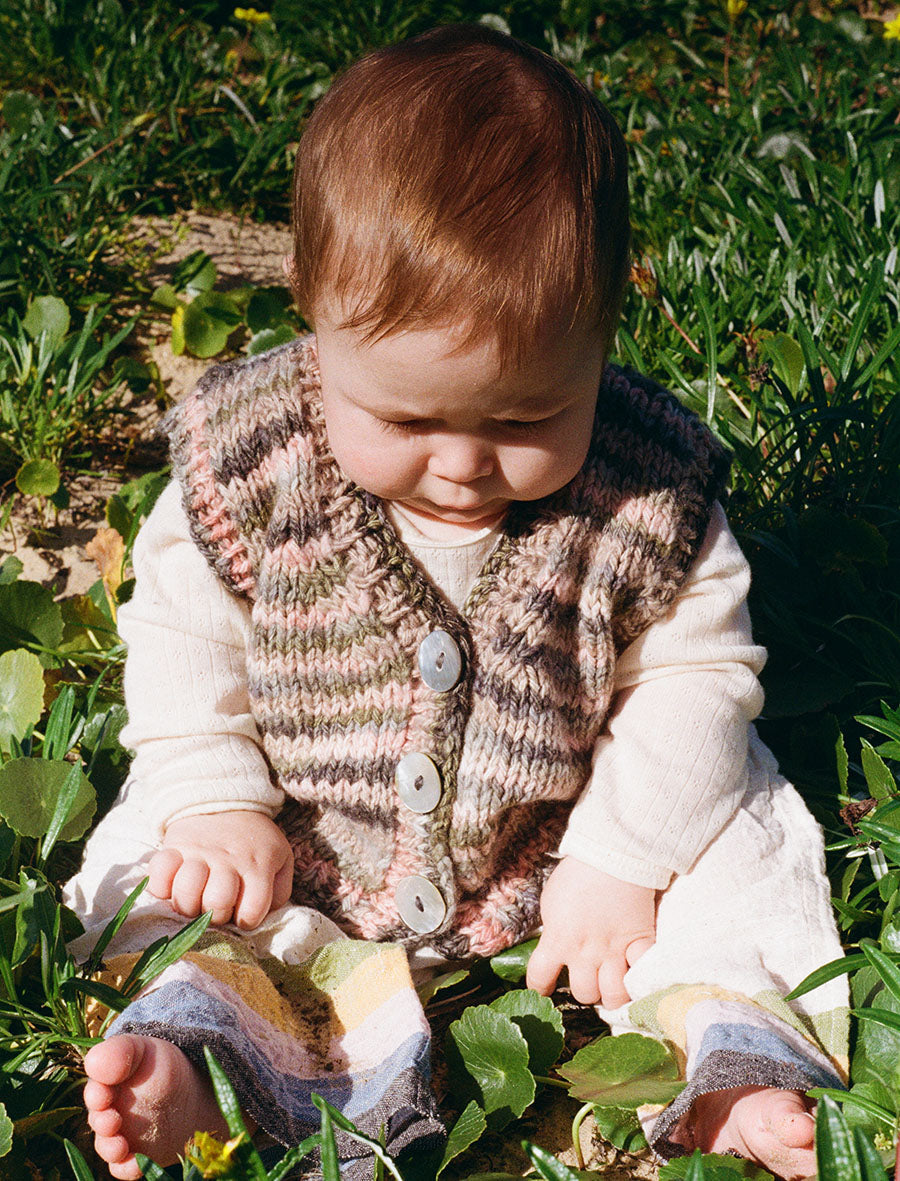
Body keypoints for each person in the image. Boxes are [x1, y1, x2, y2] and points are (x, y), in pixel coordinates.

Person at [64, 22, 848, 1181]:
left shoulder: (649, 487)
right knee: (156, 864)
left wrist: (623, 857)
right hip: (299, 835)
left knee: (743, 827)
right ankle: (201, 1042)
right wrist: (214, 795)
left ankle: (729, 1055)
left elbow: (697, 677)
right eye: (406, 418)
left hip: (568, 836)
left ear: (602, 339)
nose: (465, 461)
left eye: (527, 418)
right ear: (313, 317)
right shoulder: (253, 456)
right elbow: (185, 632)